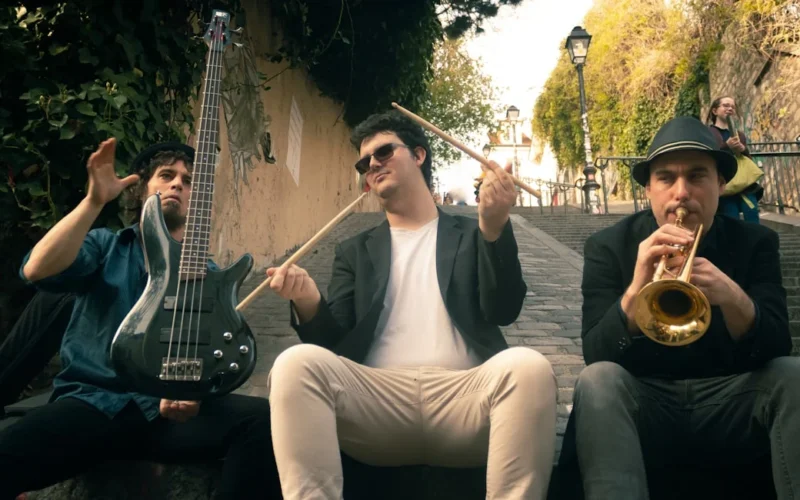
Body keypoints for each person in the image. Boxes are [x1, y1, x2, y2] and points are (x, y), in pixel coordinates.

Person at [265, 110, 558, 500]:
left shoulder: (473, 232)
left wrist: (493, 228)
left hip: (466, 400)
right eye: (364, 162)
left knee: (529, 367)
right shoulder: (353, 251)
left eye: (383, 151)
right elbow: (335, 344)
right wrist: (307, 301)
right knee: (293, 364)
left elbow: (503, 310)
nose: (372, 164)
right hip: (376, 403)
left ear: (419, 155)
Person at [0, 139, 280, 500]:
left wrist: (192, 392)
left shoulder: (211, 275)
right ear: (144, 189)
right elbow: (36, 269)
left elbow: (211, 356)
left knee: (265, 422)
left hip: (163, 420)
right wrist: (93, 201)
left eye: (188, 180)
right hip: (92, 404)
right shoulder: (106, 246)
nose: (178, 183)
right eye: (167, 175)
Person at [574, 116, 798, 499]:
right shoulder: (607, 246)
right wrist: (636, 289)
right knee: (597, 381)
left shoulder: (756, 242)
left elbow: (778, 346)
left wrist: (733, 296)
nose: (681, 193)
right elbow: (595, 353)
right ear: (648, 188)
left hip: (732, 403)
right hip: (645, 402)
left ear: (720, 184)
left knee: (793, 374)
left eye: (697, 177)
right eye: (666, 178)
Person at [706, 96, 762, 222]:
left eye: (732, 106)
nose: (730, 108)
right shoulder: (708, 133)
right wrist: (727, 147)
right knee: (731, 220)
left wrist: (743, 149)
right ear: (715, 111)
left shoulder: (739, 134)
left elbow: (747, 159)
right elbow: (708, 157)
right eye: (726, 105)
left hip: (744, 185)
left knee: (752, 218)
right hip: (725, 184)